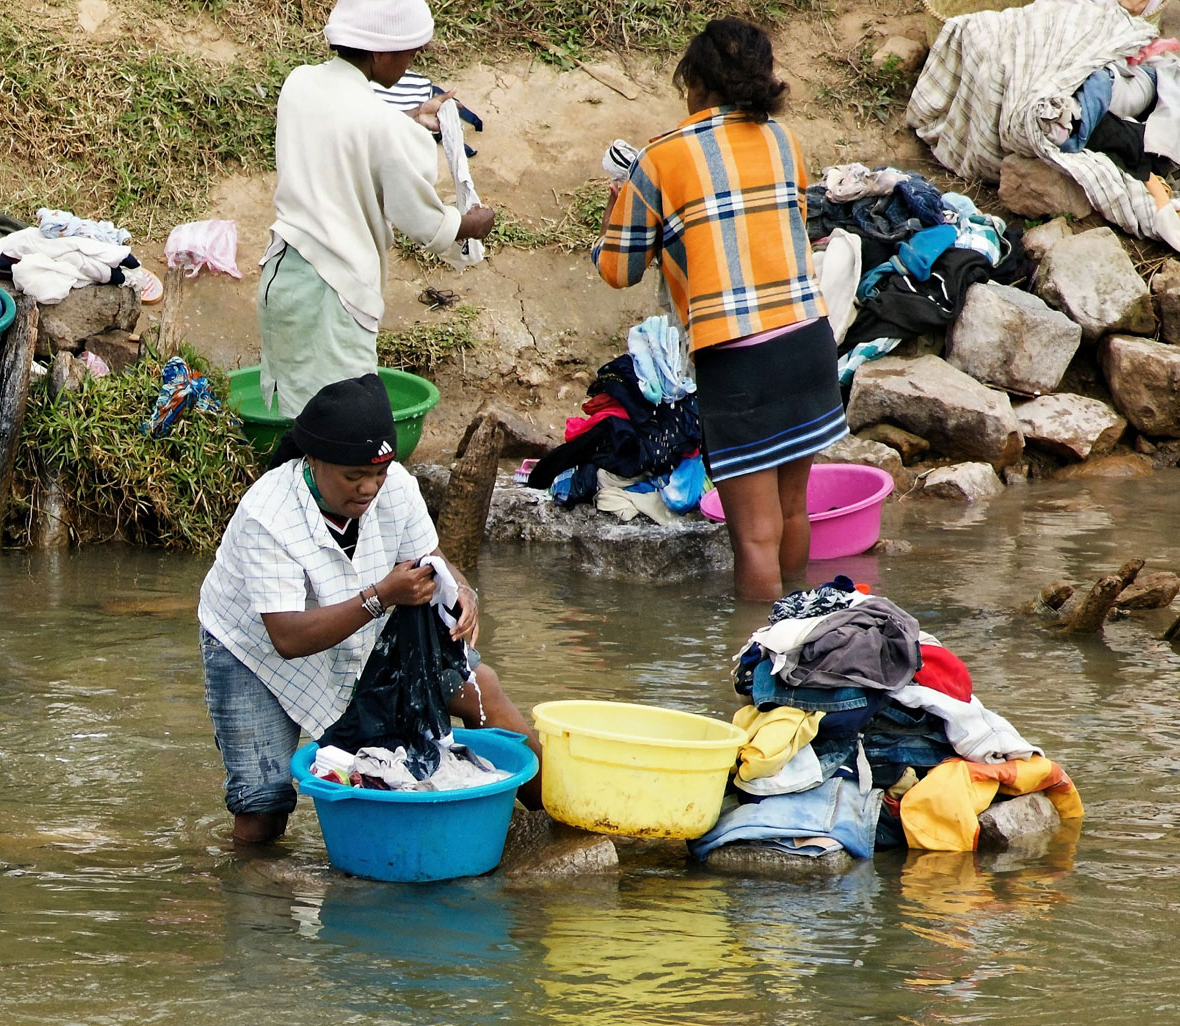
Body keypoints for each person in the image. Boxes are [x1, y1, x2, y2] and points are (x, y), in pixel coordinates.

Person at [198, 374, 544, 845]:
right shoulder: (268, 515)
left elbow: (434, 559)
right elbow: (288, 638)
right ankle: (253, 897)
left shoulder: (395, 486)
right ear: (315, 460)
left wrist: (463, 593)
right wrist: (382, 595)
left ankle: (562, 813)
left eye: (377, 475)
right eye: (354, 477)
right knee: (265, 803)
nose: (369, 489)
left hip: (361, 626)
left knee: (481, 687)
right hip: (256, 652)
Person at [594, 17, 847, 601]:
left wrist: (618, 210)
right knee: (791, 514)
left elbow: (617, 270)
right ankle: (800, 644)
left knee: (754, 537)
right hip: (808, 341)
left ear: (697, 82)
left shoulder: (661, 158)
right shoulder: (784, 141)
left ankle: (756, 668)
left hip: (739, 359)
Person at [258, 0, 497, 418]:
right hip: (332, 293)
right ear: (381, 52)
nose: (412, 62)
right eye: (410, 52)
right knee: (345, 431)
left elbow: (346, 129)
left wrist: (410, 118)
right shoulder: (383, 127)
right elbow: (423, 220)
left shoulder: (299, 84)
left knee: (301, 421)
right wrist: (470, 223)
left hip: (284, 278)